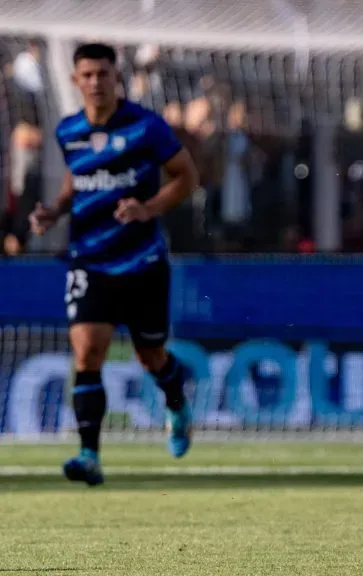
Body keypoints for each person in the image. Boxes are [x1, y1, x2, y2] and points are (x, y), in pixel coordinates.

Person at [29, 43, 199, 486]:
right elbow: (77, 179)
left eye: (102, 74)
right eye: (86, 75)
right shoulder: (68, 131)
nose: (95, 82)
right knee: (87, 352)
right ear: (75, 80)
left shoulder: (145, 126)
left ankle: (176, 399)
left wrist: (149, 208)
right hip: (89, 260)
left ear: (115, 76)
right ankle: (89, 455)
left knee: (150, 356)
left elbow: (187, 175)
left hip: (142, 261)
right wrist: (56, 210)